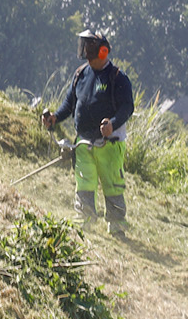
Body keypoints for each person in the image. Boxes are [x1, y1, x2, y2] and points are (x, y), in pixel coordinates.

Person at [40, 30, 135, 237]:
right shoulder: (81, 74)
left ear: (102, 51)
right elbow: (70, 103)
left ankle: (117, 226)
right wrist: (55, 118)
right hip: (83, 142)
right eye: (84, 47)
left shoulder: (118, 78)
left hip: (109, 144)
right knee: (84, 182)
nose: (85, 52)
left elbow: (127, 107)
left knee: (112, 186)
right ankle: (85, 223)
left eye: (89, 48)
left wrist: (113, 123)